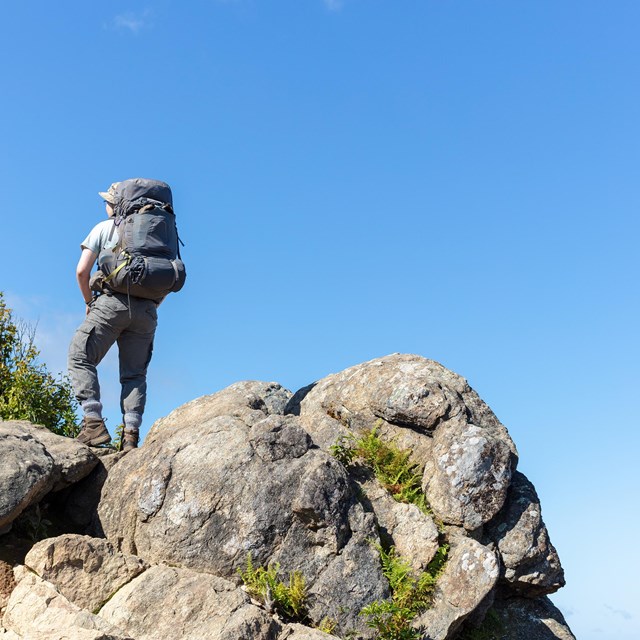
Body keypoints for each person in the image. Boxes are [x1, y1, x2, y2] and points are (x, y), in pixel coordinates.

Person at [68, 180, 162, 452]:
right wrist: (151, 304)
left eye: (108, 200)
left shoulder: (104, 228)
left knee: (80, 355)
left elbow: (81, 272)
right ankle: (130, 436)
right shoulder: (157, 233)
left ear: (118, 204)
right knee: (134, 374)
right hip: (147, 310)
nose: (106, 205)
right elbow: (164, 277)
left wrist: (89, 301)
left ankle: (93, 423)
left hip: (110, 304)